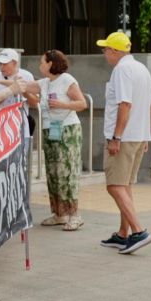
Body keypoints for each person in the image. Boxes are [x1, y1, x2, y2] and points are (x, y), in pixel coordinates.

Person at [97, 30, 151, 254]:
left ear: (114, 51)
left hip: (124, 137)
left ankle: (139, 231)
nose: (104, 54)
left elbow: (125, 104)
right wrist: (146, 134)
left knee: (114, 185)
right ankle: (123, 234)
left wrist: (116, 137)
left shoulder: (121, 70)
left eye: (106, 49)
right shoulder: (142, 68)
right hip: (138, 135)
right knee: (125, 185)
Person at [37, 50, 88, 230]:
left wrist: (62, 105)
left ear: (51, 64)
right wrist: (2, 82)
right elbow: (25, 87)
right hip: (50, 129)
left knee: (67, 171)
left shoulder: (67, 80)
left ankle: (75, 215)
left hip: (67, 129)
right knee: (53, 172)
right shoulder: (44, 83)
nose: (40, 65)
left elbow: (82, 103)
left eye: (42, 62)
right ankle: (59, 214)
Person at [0, 49, 38, 127]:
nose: (1, 67)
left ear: (14, 63)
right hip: (0, 123)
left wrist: (24, 91)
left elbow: (35, 102)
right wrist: (9, 91)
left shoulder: (27, 76)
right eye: (0, 64)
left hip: (20, 123)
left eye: (5, 64)